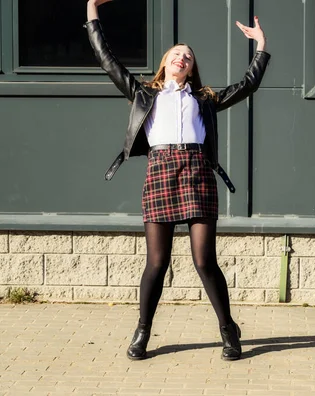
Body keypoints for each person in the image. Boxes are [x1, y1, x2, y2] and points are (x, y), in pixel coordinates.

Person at [85, 0, 270, 361]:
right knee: (157, 261)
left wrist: (261, 44)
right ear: (166, 62)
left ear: (192, 67)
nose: (182, 58)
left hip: (198, 172)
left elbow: (249, 84)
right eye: (176, 53)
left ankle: (228, 330)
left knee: (204, 261)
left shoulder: (206, 99)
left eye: (188, 56)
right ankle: (142, 331)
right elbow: (107, 59)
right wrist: (92, 9)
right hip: (160, 171)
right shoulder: (144, 94)